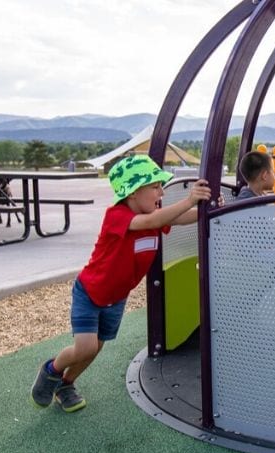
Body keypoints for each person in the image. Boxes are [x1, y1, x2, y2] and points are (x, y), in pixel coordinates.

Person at [30, 155, 211, 412]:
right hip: (91, 293)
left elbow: (179, 218)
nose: (161, 192)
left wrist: (206, 210)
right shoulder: (118, 215)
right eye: (155, 187)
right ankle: (51, 370)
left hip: (115, 298)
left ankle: (66, 384)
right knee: (86, 346)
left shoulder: (155, 217)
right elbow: (151, 222)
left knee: (94, 349)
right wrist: (189, 199)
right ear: (133, 192)